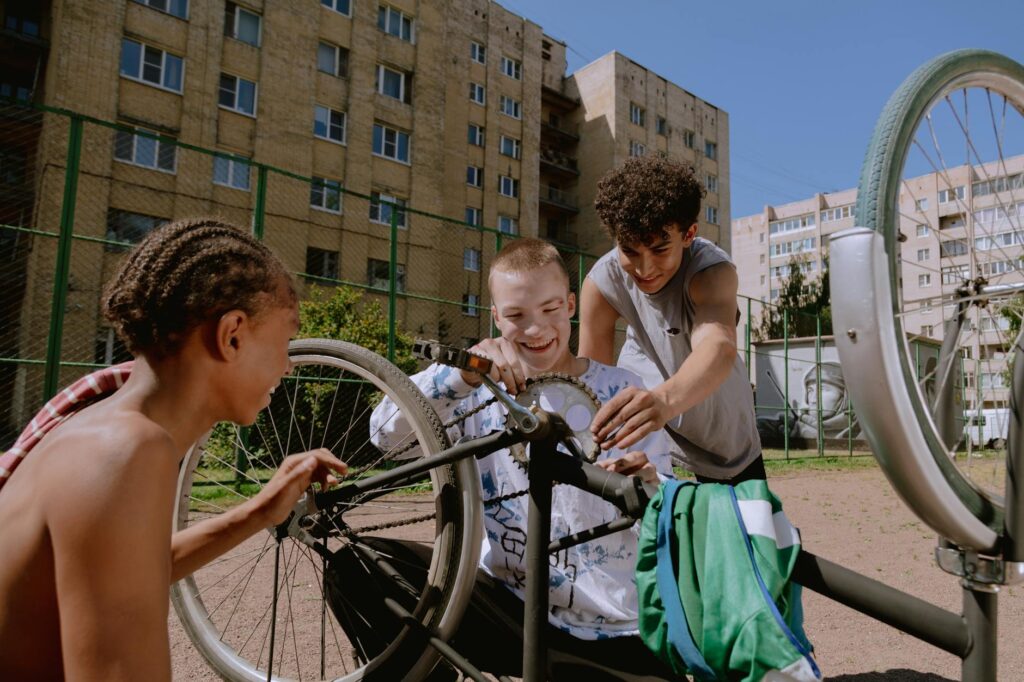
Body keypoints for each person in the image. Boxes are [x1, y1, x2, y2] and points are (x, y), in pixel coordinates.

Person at [0, 218, 347, 680]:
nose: (287, 364)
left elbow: (126, 573)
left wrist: (261, 510)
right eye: (285, 340)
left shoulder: (100, 427)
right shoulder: (126, 452)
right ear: (233, 335)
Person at [369, 238, 675, 679]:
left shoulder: (622, 388)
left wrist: (648, 482)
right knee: (362, 565)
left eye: (551, 309)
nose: (536, 329)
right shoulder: (475, 391)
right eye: (516, 316)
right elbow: (384, 436)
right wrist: (460, 374)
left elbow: (667, 515)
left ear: (571, 305)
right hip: (508, 610)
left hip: (614, 627)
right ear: (495, 317)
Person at [579, 155, 765, 484]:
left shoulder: (711, 272)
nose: (644, 269)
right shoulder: (601, 283)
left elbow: (718, 345)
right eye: (630, 251)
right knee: (656, 534)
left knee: (744, 534)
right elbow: (592, 380)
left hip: (724, 441)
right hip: (653, 440)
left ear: (689, 234)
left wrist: (663, 401)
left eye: (660, 250)